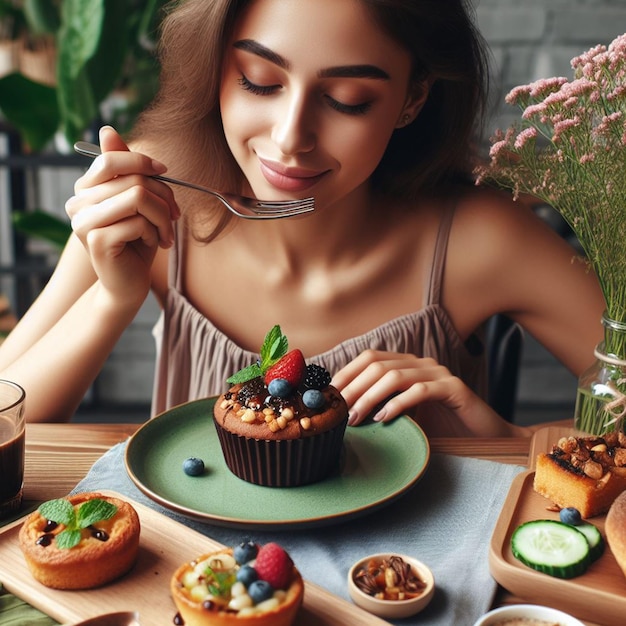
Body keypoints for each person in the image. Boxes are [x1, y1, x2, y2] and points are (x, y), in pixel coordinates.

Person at [0, 0, 605, 436]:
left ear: (412, 98)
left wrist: (502, 437)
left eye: (348, 100)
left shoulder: (480, 240)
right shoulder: (151, 197)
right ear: (217, 68)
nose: (290, 140)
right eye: (259, 81)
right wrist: (112, 300)